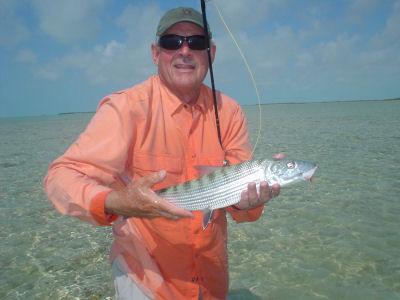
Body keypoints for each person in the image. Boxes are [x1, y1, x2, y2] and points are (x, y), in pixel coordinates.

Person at [44, 6, 279, 300]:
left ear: (212, 53)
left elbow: (243, 209)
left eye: (196, 42)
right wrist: (117, 201)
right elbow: (62, 176)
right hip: (145, 275)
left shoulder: (229, 112)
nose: (184, 51)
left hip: (211, 277)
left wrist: (248, 203)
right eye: (171, 42)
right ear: (156, 53)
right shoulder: (127, 108)